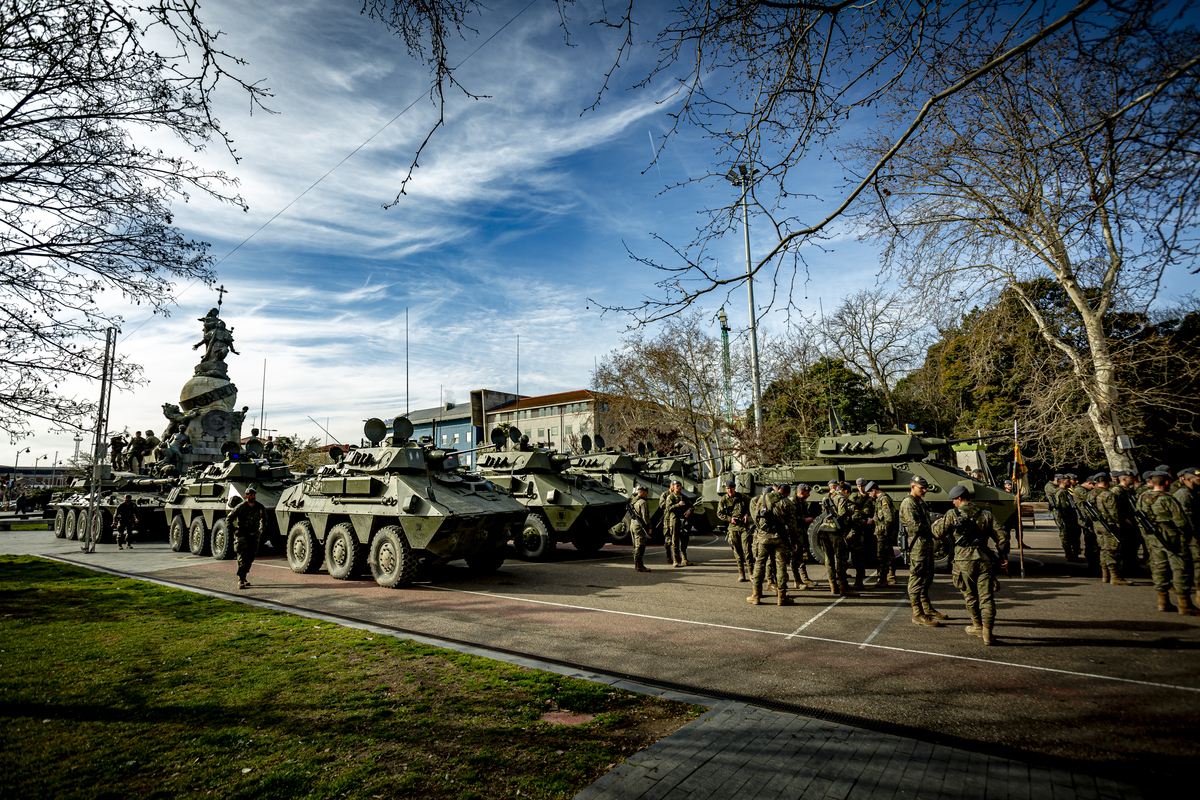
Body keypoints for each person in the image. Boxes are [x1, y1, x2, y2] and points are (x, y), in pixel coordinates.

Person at [936, 484, 1009, 645]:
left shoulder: (952, 514)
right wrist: (1003, 555)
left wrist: (938, 523)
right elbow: (1002, 537)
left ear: (960, 499)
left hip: (963, 562)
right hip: (984, 559)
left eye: (954, 500)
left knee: (970, 596)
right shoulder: (986, 514)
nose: (953, 503)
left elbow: (937, 533)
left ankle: (976, 625)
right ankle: (988, 633)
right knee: (987, 597)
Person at [1140, 472, 1198, 614]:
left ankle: (1163, 602)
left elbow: (1140, 517)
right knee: (1180, 569)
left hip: (1154, 538)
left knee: (1159, 569)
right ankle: (1184, 604)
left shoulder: (1143, 498)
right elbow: (1181, 522)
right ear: (1166, 483)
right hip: (1173, 538)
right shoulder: (1168, 499)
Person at [901, 476, 941, 627]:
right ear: (912, 487)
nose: (924, 491)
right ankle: (917, 614)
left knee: (927, 577)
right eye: (921, 488)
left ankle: (927, 608)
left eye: (925, 488)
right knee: (917, 578)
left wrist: (933, 525)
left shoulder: (920, 502)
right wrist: (933, 529)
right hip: (917, 546)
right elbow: (915, 527)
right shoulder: (908, 503)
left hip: (925, 544)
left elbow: (924, 523)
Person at [747, 483, 794, 606]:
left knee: (759, 565)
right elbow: (792, 525)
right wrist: (793, 542)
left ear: (778, 490)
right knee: (781, 567)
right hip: (780, 538)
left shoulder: (763, 499)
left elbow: (756, 518)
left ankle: (756, 596)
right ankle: (782, 597)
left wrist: (761, 532)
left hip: (763, 538)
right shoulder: (788, 503)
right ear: (787, 493)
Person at [1089, 474, 1132, 585]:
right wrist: (1119, 525)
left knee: (1103, 549)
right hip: (1110, 525)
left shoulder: (1091, 494)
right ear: (1108, 481)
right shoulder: (1108, 495)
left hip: (1097, 525)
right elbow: (1114, 513)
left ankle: (1105, 575)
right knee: (1112, 550)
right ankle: (1115, 576)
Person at [820, 483, 858, 597]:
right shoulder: (841, 498)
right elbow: (842, 514)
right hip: (835, 531)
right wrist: (850, 511)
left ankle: (833, 585)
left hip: (824, 529)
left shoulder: (827, 496)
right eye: (849, 494)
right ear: (846, 491)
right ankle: (843, 587)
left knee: (829, 558)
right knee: (840, 558)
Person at [229, 486, 266, 589]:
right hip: (242, 535)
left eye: (253, 495)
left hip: (254, 534)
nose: (252, 497)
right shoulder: (240, 507)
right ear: (246, 496)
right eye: (250, 495)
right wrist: (234, 531)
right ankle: (240, 579)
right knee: (242, 557)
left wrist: (261, 528)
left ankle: (244, 577)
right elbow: (229, 519)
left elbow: (264, 518)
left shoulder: (259, 507)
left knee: (250, 557)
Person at [717, 480, 752, 581]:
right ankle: (741, 574)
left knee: (747, 550)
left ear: (734, 487)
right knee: (737, 551)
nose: (730, 490)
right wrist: (729, 519)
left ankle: (751, 573)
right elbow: (719, 513)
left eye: (731, 488)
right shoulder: (723, 500)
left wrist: (746, 514)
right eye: (728, 488)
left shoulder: (742, 497)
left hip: (744, 527)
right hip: (733, 528)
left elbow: (751, 507)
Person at [1174, 467, 1200, 606]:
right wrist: (1195, 534)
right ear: (1188, 479)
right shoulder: (1183, 494)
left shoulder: (1193, 492)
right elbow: (1187, 517)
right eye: (1198, 479)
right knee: (1197, 563)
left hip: (1192, 534)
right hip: (1189, 535)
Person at [868, 481, 897, 587]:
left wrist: (885, 531)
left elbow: (889, 518)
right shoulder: (881, 499)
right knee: (888, 555)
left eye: (869, 493)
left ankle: (883, 579)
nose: (869, 496)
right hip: (883, 531)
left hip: (883, 533)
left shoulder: (884, 499)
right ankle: (891, 577)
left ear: (873, 490)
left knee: (882, 556)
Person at [848, 478, 875, 590]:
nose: (861, 488)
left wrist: (872, 519)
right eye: (858, 486)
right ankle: (859, 579)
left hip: (870, 527)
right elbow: (852, 512)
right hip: (859, 527)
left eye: (862, 486)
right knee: (857, 555)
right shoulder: (854, 497)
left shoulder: (871, 496)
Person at [790, 484, 818, 589]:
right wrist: (804, 520)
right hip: (795, 533)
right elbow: (791, 518)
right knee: (795, 557)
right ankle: (797, 580)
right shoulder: (792, 501)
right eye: (807, 493)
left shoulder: (803, 502)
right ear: (801, 492)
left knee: (803, 556)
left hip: (802, 532)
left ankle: (804, 578)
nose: (809, 495)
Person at [660, 479, 693, 567]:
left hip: (683, 521)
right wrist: (678, 505)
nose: (679, 488)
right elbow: (667, 508)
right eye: (677, 486)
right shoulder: (669, 497)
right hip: (673, 521)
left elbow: (691, 505)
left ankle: (684, 559)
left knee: (684, 540)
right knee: (673, 540)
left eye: (680, 486)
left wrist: (689, 510)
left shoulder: (684, 497)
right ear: (673, 487)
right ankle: (674, 559)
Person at [1056, 473, 1082, 561]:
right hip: (1067, 518)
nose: (1069, 482)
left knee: (1072, 536)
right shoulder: (1062, 492)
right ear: (1063, 482)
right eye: (1067, 481)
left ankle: (1073, 554)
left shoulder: (1065, 491)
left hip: (1069, 518)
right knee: (1068, 536)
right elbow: (1065, 506)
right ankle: (1070, 555)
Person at [629, 485, 653, 573]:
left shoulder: (633, 501)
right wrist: (649, 527)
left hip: (633, 524)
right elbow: (645, 517)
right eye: (646, 493)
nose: (647, 496)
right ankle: (639, 566)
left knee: (636, 545)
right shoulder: (643, 502)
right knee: (640, 545)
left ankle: (637, 565)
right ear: (643, 493)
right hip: (639, 525)